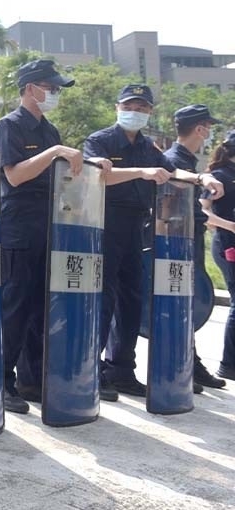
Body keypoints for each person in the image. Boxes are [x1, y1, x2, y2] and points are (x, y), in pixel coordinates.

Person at [83, 85, 223, 399]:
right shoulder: (101, 140)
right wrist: (140, 172)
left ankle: (120, 369)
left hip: (136, 225)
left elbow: (173, 173)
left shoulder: (148, 146)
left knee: (132, 300)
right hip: (105, 222)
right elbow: (96, 175)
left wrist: (202, 178)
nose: (137, 112)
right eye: (131, 105)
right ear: (118, 106)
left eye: (144, 108)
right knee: (103, 301)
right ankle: (93, 372)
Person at [0, 59, 104, 414]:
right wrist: (55, 152)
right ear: (29, 88)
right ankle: (0, 381)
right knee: (14, 306)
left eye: (56, 88)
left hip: (50, 224)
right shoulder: (9, 126)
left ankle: (31, 379)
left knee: (41, 308)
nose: (53, 93)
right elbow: (14, 176)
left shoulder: (49, 130)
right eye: (49, 87)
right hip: (20, 224)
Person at [163, 105, 226, 390]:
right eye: (208, 128)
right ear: (200, 129)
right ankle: (179, 365)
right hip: (177, 242)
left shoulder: (186, 159)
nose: (210, 134)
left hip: (189, 238)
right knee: (175, 306)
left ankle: (189, 362)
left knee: (185, 306)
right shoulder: (174, 161)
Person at [202, 130, 235, 383]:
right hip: (227, 245)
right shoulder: (219, 177)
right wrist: (231, 226)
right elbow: (205, 214)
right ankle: (227, 364)